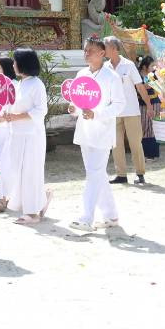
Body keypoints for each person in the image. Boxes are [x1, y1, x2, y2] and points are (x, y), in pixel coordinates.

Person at [69, 37, 123, 231]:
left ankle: (86, 217)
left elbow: (119, 105)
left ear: (102, 53)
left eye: (90, 50)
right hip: (85, 131)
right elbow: (77, 101)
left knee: (93, 173)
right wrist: (73, 109)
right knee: (96, 174)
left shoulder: (112, 77)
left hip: (102, 131)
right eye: (85, 50)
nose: (86, 53)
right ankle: (111, 215)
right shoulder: (81, 74)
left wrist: (97, 113)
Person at [0, 48, 49, 223]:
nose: (14, 65)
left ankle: (32, 214)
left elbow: (41, 110)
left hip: (32, 135)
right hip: (16, 134)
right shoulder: (18, 85)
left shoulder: (37, 84)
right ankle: (40, 202)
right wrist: (3, 117)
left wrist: (16, 117)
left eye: (16, 62)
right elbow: (11, 108)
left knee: (31, 172)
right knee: (19, 172)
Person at [104, 36, 149, 185]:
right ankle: (121, 174)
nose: (104, 49)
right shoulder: (105, 67)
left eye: (106, 47)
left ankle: (140, 173)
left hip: (130, 111)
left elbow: (140, 86)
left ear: (115, 49)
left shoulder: (129, 65)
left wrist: (148, 105)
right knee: (116, 144)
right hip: (113, 111)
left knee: (135, 143)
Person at [0, 56, 18, 212]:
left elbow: (17, 110)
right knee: (1, 163)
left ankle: (4, 198)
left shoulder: (14, 85)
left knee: (8, 164)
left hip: (10, 130)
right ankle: (7, 196)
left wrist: (5, 119)